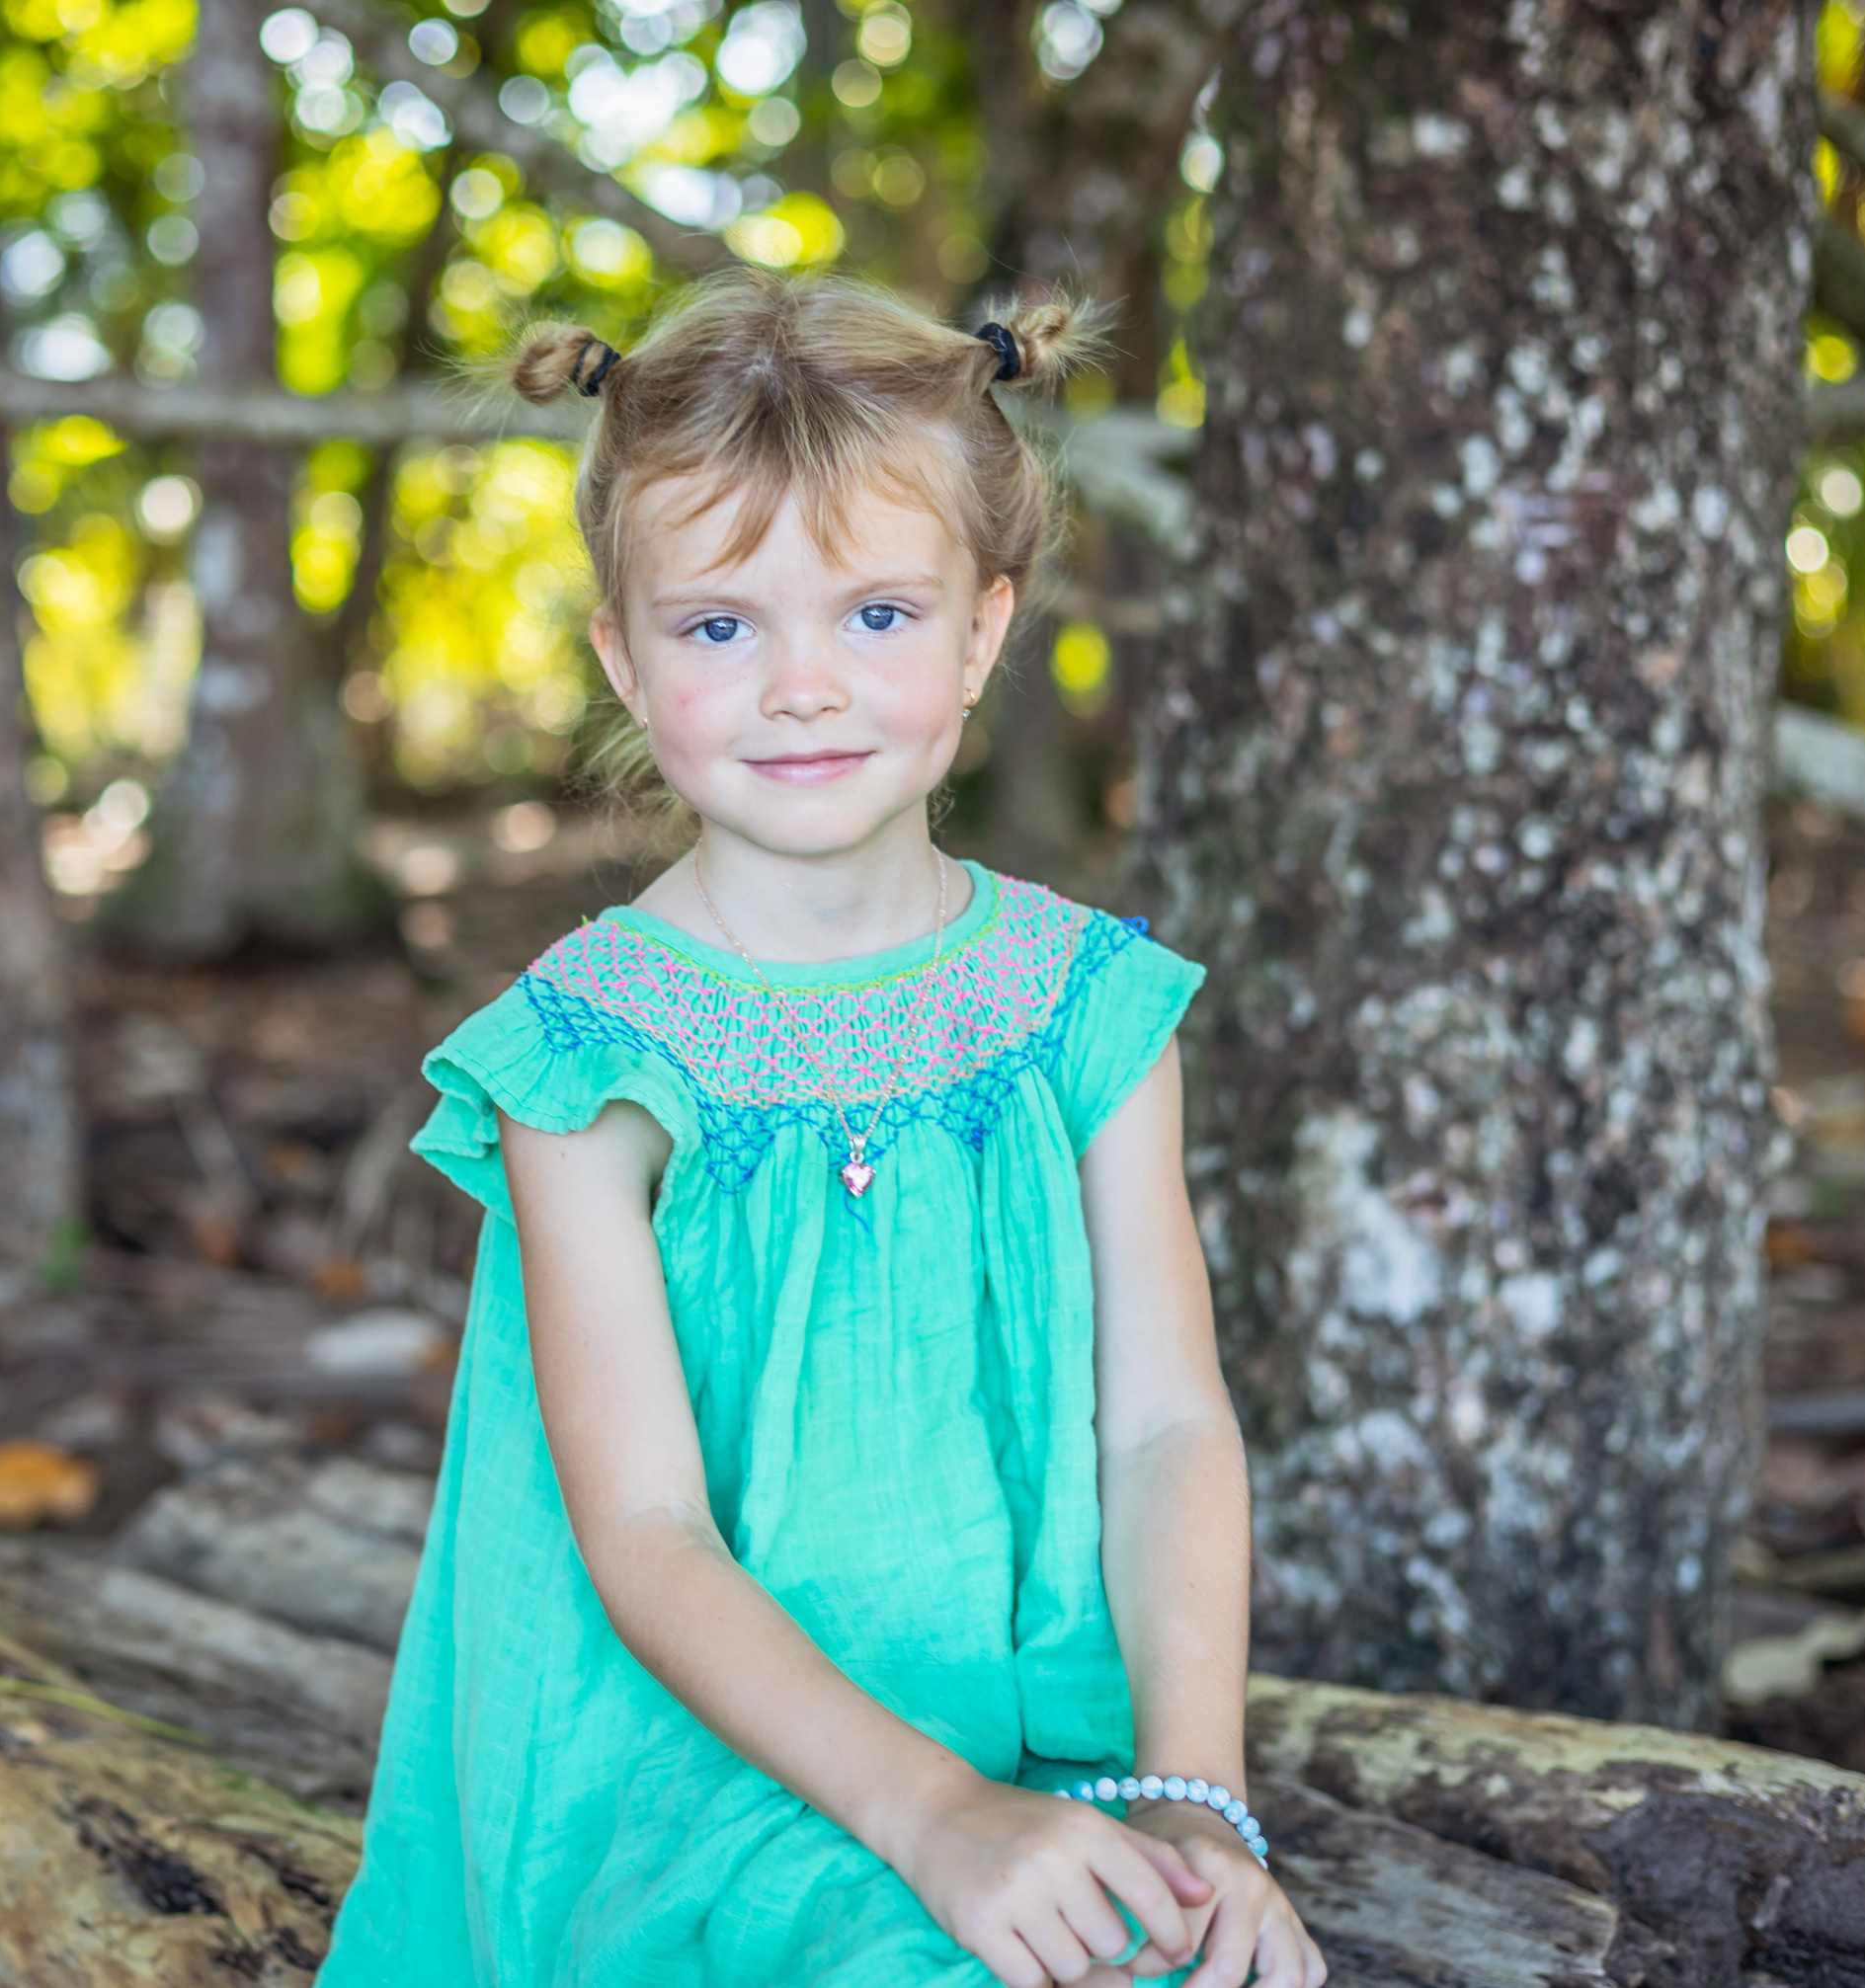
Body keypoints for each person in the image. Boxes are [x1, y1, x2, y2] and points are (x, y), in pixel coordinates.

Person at [317, 274, 1325, 1988]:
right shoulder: (590, 1056)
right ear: (625, 658)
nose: (803, 685)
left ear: (983, 632)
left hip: (1045, 1742)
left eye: (876, 613)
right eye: (720, 627)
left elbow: (1166, 1424)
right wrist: (938, 1818)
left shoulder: (1087, 1007)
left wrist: (1196, 1798)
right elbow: (645, 1533)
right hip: (692, 1776)